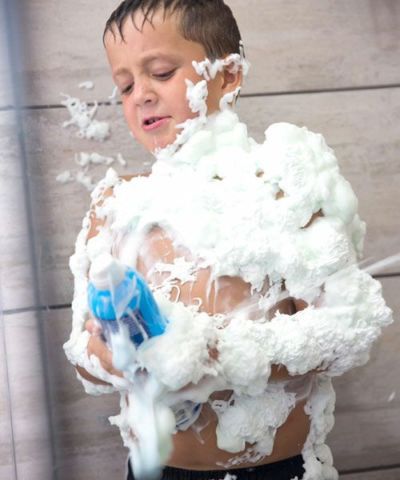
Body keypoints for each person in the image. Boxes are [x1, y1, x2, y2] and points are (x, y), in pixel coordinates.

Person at [66, 1, 338, 479]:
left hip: (275, 468)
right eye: (125, 86)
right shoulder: (114, 205)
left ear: (228, 75)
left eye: (161, 73)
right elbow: (83, 355)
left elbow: (336, 336)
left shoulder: (284, 190)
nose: (141, 95)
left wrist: (211, 357)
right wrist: (119, 358)